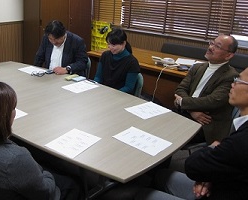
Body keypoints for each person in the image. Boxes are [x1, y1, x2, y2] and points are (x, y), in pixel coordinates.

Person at [0, 80, 80, 200]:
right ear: (2, 117)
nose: (14, 112)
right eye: (13, 109)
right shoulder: (15, 159)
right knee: (73, 185)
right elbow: (45, 193)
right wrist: (45, 173)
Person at [135, 67, 248, 200]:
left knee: (135, 194)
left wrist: (213, 148)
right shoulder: (199, 67)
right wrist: (211, 175)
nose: (233, 84)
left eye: (239, 80)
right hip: (223, 183)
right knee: (160, 175)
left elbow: (192, 165)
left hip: (220, 192)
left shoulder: (242, 140)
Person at [174, 35, 239, 144]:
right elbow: (180, 89)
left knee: (171, 135)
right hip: (187, 112)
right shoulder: (197, 67)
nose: (210, 47)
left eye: (217, 46)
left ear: (228, 55)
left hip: (206, 123)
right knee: (157, 125)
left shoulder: (230, 76)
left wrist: (182, 102)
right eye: (212, 43)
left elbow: (212, 101)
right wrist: (191, 110)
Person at [93, 28, 141, 94]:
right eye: (109, 44)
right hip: (104, 92)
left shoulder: (132, 62)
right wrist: (95, 85)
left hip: (120, 95)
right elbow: (98, 77)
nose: (110, 47)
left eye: (113, 45)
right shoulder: (105, 55)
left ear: (123, 43)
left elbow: (128, 87)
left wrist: (112, 93)